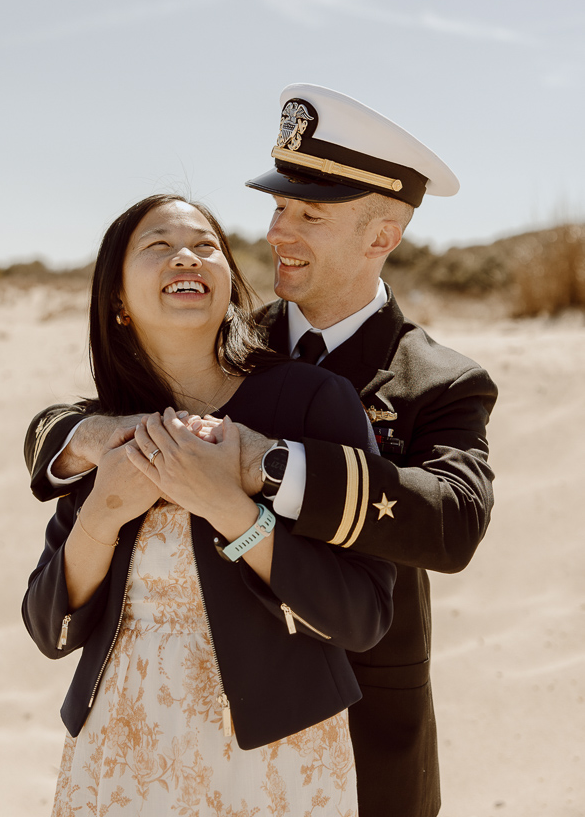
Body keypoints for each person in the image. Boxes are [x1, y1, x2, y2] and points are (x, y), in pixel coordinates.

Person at [25, 85, 497, 817]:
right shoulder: (226, 335)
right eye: (278, 208)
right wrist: (82, 437)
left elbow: (453, 522)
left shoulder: (438, 380)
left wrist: (260, 465)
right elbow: (117, 396)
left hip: (356, 722)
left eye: (308, 215)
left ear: (381, 235)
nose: (277, 233)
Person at [23, 192, 396, 815]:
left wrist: (233, 512)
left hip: (276, 756)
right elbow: (49, 630)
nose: (185, 257)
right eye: (157, 246)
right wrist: (104, 510)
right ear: (117, 300)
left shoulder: (311, 404)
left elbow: (363, 616)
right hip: (121, 746)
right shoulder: (100, 431)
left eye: (205, 246)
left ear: (228, 281)